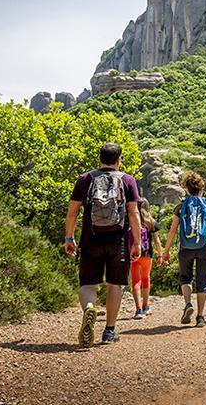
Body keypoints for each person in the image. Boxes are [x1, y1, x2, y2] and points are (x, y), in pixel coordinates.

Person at [64, 142, 141, 347]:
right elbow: (134, 213)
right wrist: (137, 243)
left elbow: (72, 212)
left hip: (91, 238)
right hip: (119, 240)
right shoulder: (128, 180)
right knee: (115, 283)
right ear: (118, 160)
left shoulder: (85, 179)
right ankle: (109, 331)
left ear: (100, 159)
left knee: (88, 283)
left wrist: (69, 238)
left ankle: (90, 307)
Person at [162, 171, 206, 328]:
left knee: (186, 278)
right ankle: (200, 317)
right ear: (202, 188)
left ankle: (188, 304)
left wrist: (166, 251)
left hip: (185, 247)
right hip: (204, 246)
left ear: (186, 189)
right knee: (203, 282)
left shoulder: (181, 207)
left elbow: (173, 231)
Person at [128, 199, 162, 319]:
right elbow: (157, 241)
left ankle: (138, 310)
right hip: (147, 254)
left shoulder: (130, 220)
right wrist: (160, 255)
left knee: (136, 281)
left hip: (133, 254)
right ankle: (146, 306)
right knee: (145, 279)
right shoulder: (150, 221)